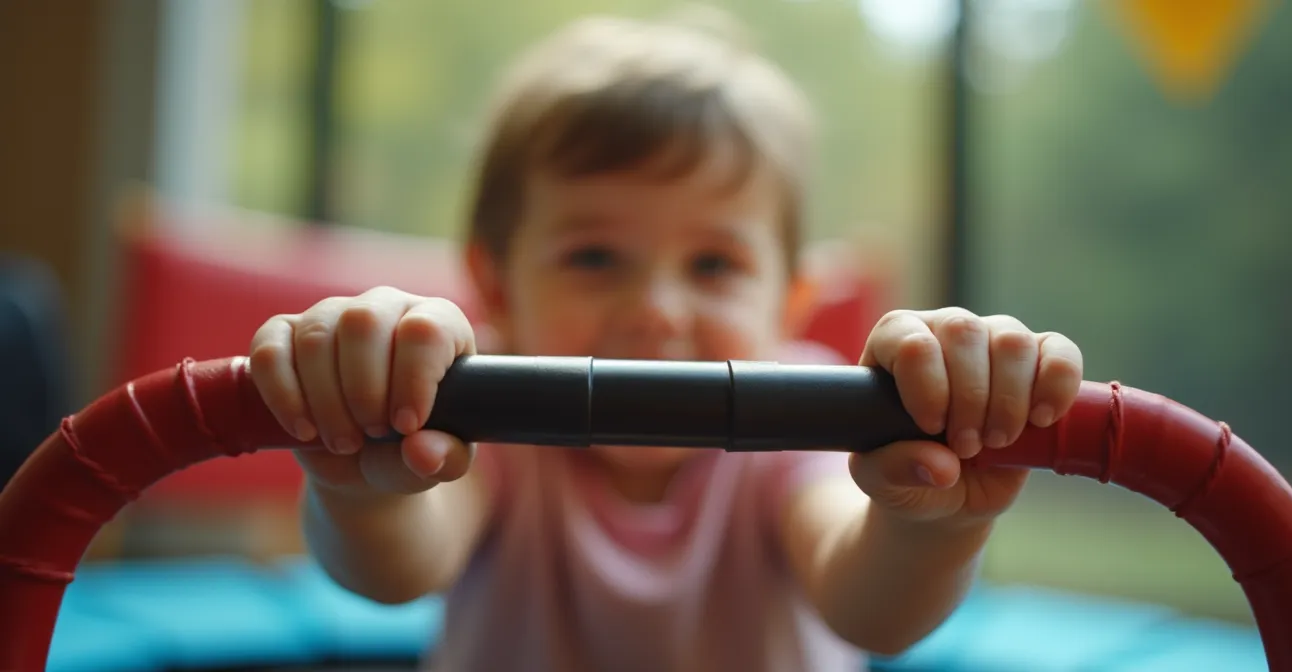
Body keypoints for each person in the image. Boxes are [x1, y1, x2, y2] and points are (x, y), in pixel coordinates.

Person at [248, 11, 1084, 672]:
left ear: (788, 302)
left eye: (714, 263)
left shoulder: (801, 411)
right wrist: (362, 482)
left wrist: (931, 527)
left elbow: (870, 607)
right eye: (594, 256)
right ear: (498, 286)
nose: (655, 310)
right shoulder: (487, 411)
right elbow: (399, 571)